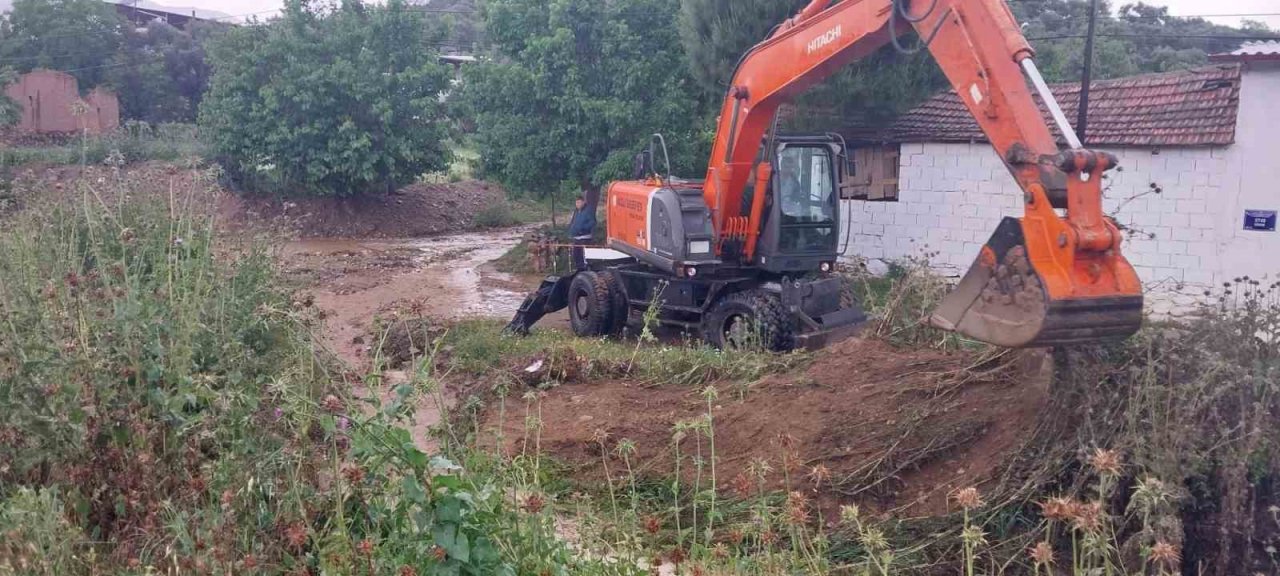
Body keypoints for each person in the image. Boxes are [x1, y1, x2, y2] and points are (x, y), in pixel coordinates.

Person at [567, 194, 596, 271]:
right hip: (576, 238)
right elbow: (573, 222)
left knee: (584, 256)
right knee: (576, 256)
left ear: (583, 202)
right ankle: (579, 270)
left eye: (579, 202)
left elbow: (592, 222)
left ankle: (585, 270)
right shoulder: (576, 212)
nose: (578, 204)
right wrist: (571, 230)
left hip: (585, 238)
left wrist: (583, 229)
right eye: (576, 203)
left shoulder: (588, 210)